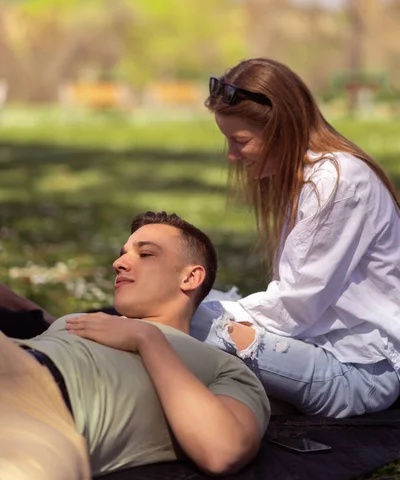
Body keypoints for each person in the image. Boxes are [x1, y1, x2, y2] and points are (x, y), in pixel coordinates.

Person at [190, 57, 400, 419]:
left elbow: (295, 306)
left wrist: (186, 311)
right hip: (320, 346)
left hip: (362, 369)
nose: (232, 155)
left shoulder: (338, 181)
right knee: (178, 321)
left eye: (240, 140)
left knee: (181, 325)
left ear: (282, 130)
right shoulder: (311, 177)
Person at [0, 211, 270, 480]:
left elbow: (223, 451)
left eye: (146, 254)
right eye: (122, 253)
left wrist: (148, 339)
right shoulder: (81, 321)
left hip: (46, 419)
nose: (118, 263)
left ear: (190, 278)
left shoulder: (224, 368)